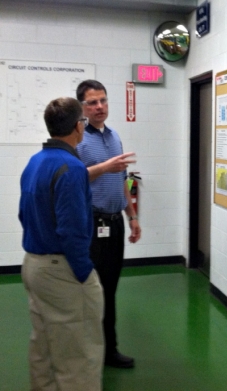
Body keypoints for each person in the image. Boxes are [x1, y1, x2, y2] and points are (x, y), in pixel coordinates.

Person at [19, 97, 104, 391]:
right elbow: (72, 230)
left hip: (33, 266)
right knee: (78, 355)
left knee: (43, 346)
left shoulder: (36, 162)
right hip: (62, 272)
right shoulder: (71, 167)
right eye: (83, 120)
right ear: (77, 127)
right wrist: (82, 273)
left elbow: (23, 214)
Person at [76, 79, 141, 369]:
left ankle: (109, 350)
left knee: (110, 289)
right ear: (82, 107)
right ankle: (87, 352)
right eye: (92, 102)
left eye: (103, 100)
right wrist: (105, 167)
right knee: (90, 291)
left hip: (115, 224)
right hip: (91, 224)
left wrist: (133, 216)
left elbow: (121, 180)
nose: (99, 107)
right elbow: (72, 178)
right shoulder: (77, 139)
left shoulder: (114, 137)